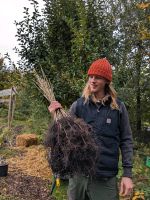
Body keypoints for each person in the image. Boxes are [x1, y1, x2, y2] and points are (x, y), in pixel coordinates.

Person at [48, 58, 134, 200]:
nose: (92, 80)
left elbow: (126, 141)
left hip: (104, 178)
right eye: (91, 76)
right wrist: (56, 116)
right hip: (78, 176)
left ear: (106, 80)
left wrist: (127, 174)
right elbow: (64, 136)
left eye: (98, 77)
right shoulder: (79, 105)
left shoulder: (118, 108)